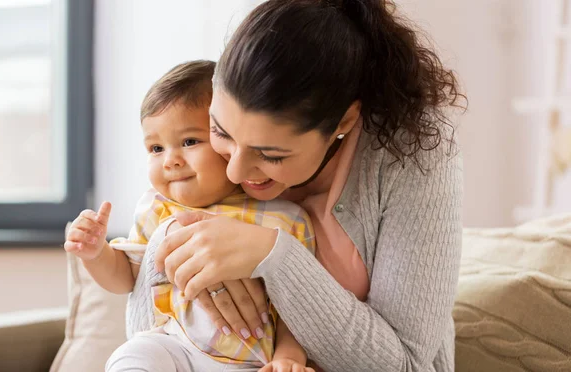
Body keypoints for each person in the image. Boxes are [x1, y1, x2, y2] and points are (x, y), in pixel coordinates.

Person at [151, 1, 466, 371]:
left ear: (343, 121)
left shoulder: (414, 155)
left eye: (271, 154)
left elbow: (407, 364)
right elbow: (145, 333)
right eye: (220, 132)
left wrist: (275, 257)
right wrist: (179, 243)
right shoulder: (201, 122)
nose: (235, 170)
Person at [64, 60, 316, 372]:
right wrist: (95, 252)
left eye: (189, 141)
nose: (170, 160)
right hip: (172, 348)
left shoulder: (286, 219)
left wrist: (288, 360)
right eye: (156, 148)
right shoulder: (156, 209)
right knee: (134, 355)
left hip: (250, 361)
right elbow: (127, 278)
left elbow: (300, 312)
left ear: (230, 140)